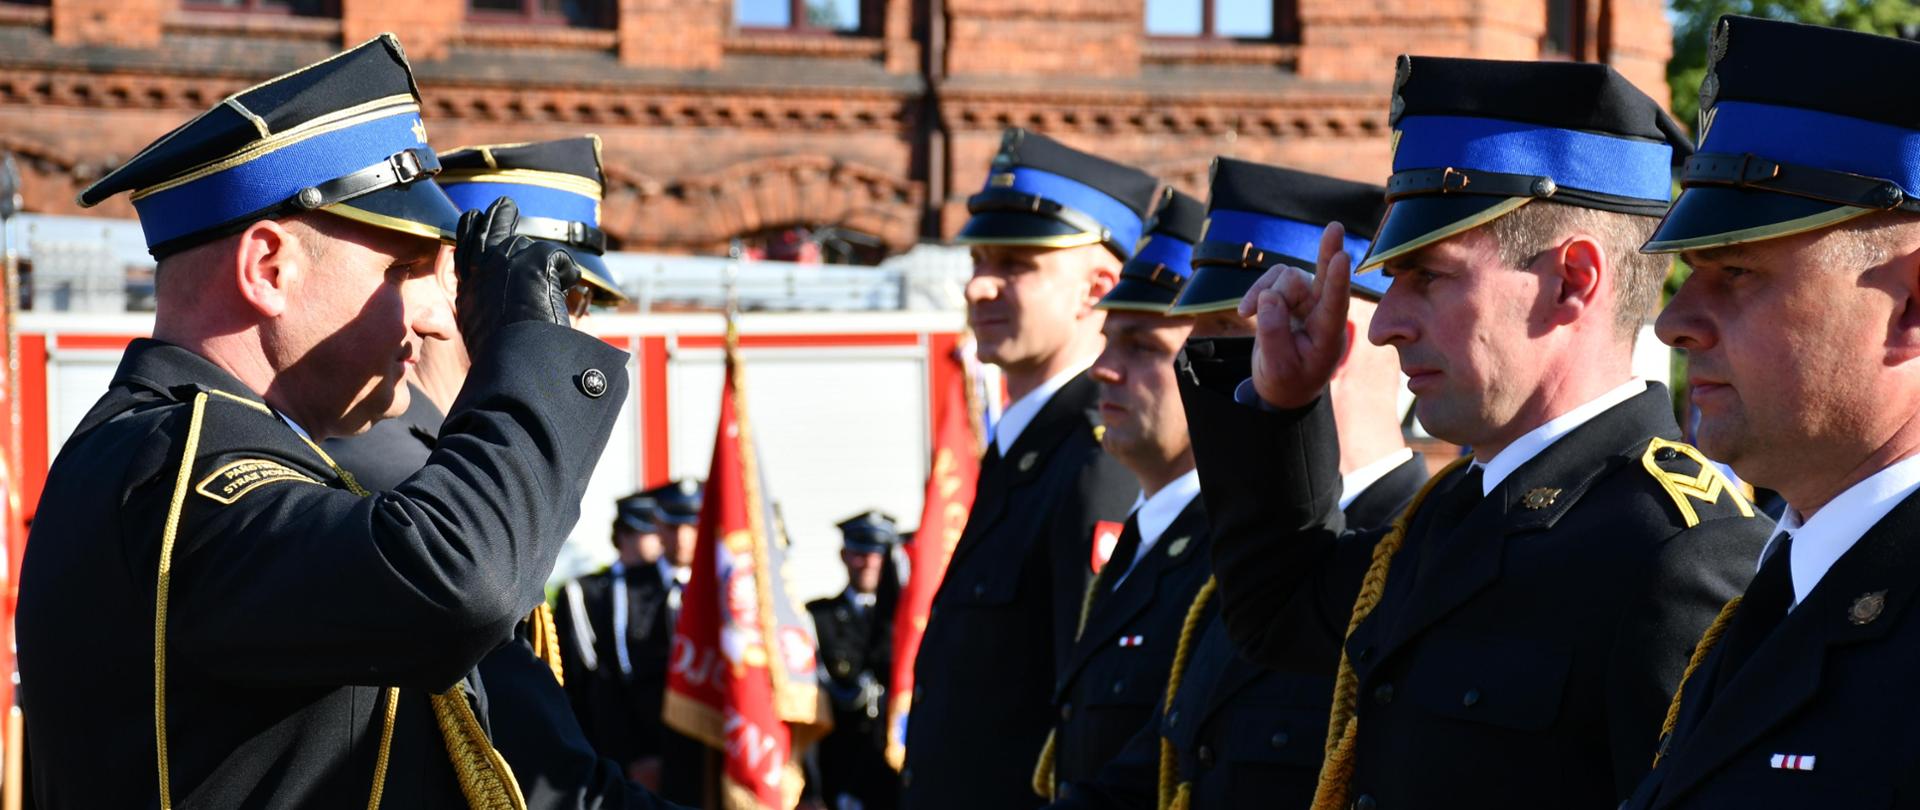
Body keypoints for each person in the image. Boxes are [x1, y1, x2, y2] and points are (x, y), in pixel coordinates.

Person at [16, 35, 631, 808]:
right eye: (403, 269)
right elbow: (455, 583)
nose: (440, 317)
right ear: (269, 269)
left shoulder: (200, 447)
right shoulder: (175, 466)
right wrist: (531, 353)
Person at [1199, 57, 1774, 809]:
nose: (1388, 326)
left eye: (1429, 276)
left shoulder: (1676, 551)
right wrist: (1282, 406)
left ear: (1572, 280)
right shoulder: (1453, 510)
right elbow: (1275, 611)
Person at [1051, 158, 1420, 810]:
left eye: (1233, 335)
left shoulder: (1414, 553)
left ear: (1330, 341)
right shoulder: (1246, 553)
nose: (1204, 367)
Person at [1625, 17, 1920, 808]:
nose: (1674, 321)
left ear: (1911, 308)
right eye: (1690, 274)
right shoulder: (1783, 590)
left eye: (1738, 272)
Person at [902, 128, 1146, 810]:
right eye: (980, 259)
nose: (978, 285)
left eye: (1015, 264)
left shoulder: (1097, 460)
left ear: (1096, 288)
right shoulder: (1027, 449)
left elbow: (1089, 722)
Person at [1033, 187, 1217, 800]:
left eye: (1142, 348)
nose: (1102, 368)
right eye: (1108, 340)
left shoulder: (1229, 552)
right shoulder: (1143, 538)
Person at [555, 494, 678, 790]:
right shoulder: (588, 592)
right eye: (647, 532)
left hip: (670, 743)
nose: (658, 540)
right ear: (623, 535)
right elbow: (588, 678)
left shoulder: (673, 588)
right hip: (613, 744)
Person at [806, 511, 904, 810]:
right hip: (841, 768)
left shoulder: (904, 619)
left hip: (895, 769)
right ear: (844, 555)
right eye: (860, 554)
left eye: (878, 555)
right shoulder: (818, 617)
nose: (869, 563)